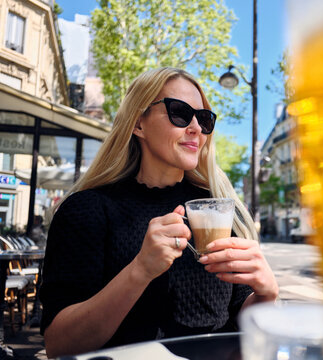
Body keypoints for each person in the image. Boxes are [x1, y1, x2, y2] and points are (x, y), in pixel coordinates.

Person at [39, 67, 279, 358]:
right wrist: (140, 270)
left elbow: (240, 319)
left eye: (204, 119)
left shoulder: (217, 207)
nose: (195, 128)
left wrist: (266, 293)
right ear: (138, 124)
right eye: (179, 112)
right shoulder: (87, 209)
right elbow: (59, 345)